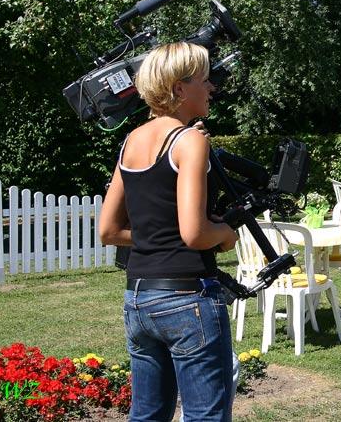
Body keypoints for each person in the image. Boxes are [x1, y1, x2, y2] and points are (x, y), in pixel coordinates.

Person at [99, 41, 238, 422]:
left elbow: (109, 230)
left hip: (139, 299)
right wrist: (226, 233)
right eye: (205, 80)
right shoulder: (190, 140)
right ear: (179, 88)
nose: (212, 88)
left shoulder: (131, 141)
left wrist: (156, 240)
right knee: (205, 416)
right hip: (186, 299)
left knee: (147, 415)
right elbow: (195, 234)